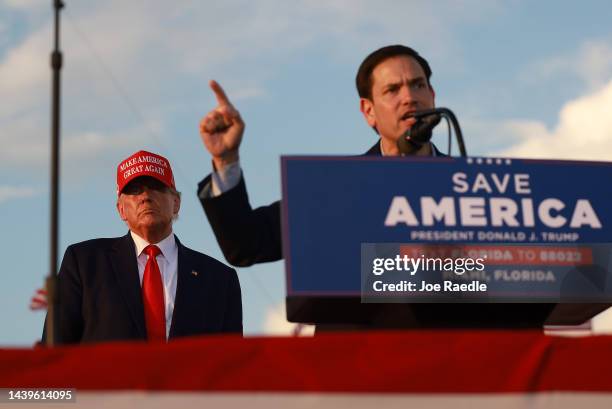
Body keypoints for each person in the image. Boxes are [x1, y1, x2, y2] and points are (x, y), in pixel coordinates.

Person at [197, 45, 442, 266]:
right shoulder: (335, 188)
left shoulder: (472, 184)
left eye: (418, 85)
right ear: (369, 111)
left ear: (432, 95)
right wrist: (226, 159)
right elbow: (247, 244)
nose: (409, 98)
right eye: (392, 90)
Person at [44, 150, 242, 344]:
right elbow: (55, 351)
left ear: (176, 203)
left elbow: (233, 364)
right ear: (121, 209)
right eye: (134, 190)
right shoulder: (85, 263)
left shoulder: (219, 279)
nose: (145, 197)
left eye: (155, 187)